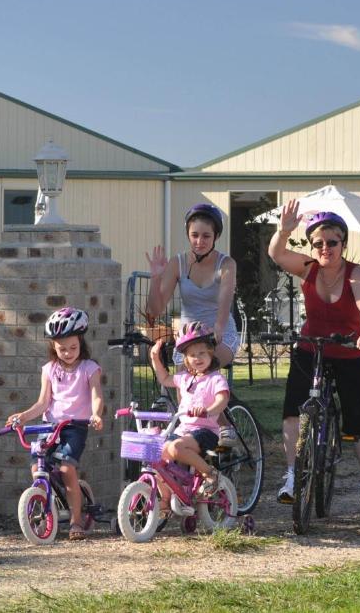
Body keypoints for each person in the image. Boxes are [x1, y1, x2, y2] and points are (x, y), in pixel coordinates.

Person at [267, 200, 360, 521]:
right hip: (311, 346)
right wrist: (285, 230)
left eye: (332, 242)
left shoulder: (355, 274)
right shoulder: (308, 268)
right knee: (292, 411)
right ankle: (292, 475)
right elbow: (276, 254)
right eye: (317, 243)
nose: (325, 248)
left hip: (349, 351)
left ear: (343, 243)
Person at [6, 307, 104, 541]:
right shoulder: (49, 370)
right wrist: (22, 416)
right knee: (37, 469)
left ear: (81, 343)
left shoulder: (89, 368)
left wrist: (97, 414)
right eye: (62, 349)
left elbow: (97, 395)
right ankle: (44, 510)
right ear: (53, 347)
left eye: (73, 347)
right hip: (48, 426)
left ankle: (75, 520)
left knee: (66, 468)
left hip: (75, 426)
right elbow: (42, 403)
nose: (68, 353)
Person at [145, 202, 239, 444]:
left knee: (204, 374)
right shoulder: (178, 262)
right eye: (194, 235)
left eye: (206, 236)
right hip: (188, 340)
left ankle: (224, 432)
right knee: (187, 398)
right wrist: (156, 277)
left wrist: (218, 328)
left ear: (216, 236)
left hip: (219, 335)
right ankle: (195, 444)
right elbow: (154, 309)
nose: (200, 241)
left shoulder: (226, 264)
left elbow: (225, 300)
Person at [148, 321, 228, 500]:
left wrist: (208, 411)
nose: (197, 358)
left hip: (205, 432)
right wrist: (155, 359)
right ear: (185, 359)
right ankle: (166, 500)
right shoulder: (184, 378)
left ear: (211, 352)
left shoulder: (215, 379)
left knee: (176, 447)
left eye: (202, 353)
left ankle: (210, 473)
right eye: (192, 355)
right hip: (183, 431)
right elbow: (164, 378)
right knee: (157, 456)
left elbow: (222, 399)